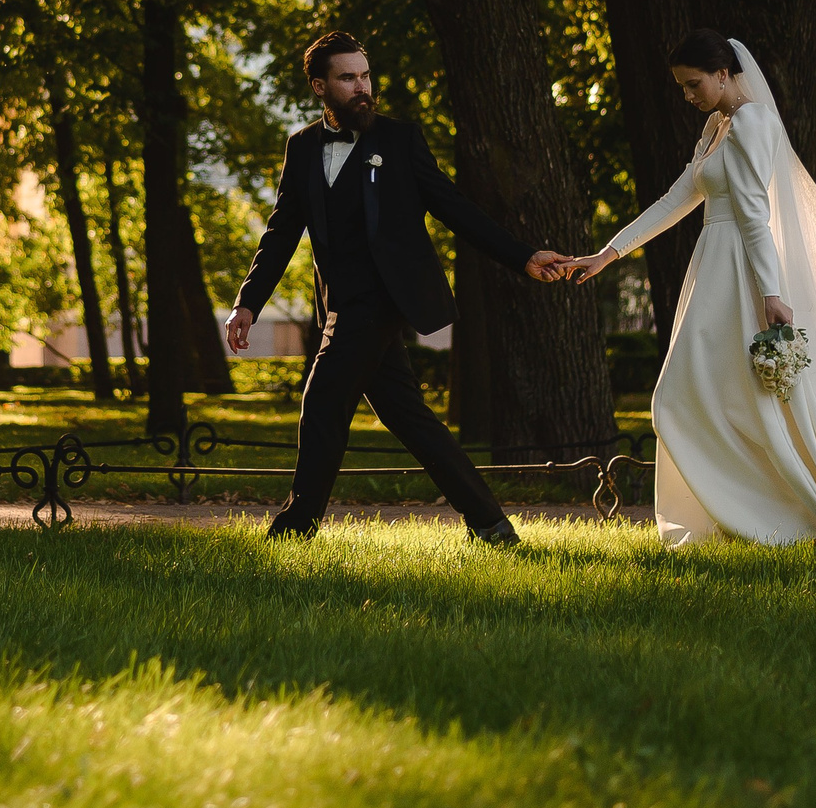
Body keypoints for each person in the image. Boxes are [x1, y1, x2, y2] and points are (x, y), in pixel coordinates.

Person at [560, 30, 816, 549]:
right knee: (696, 394)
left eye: (694, 84)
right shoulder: (717, 126)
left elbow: (755, 211)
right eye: (682, 87)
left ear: (724, 74)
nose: (688, 96)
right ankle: (734, 513)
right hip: (713, 267)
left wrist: (771, 293)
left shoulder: (753, 120)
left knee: (704, 396)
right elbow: (675, 199)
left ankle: (762, 514)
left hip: (740, 270)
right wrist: (608, 253)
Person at [224, 30, 572, 545]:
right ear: (320, 87)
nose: (362, 86)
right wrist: (248, 303)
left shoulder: (399, 140)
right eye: (348, 78)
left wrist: (522, 256)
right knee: (410, 419)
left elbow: (454, 207)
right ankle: (491, 525)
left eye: (365, 75)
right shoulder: (301, 148)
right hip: (338, 303)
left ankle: (294, 531)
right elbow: (281, 232)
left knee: (322, 404)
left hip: (383, 301)